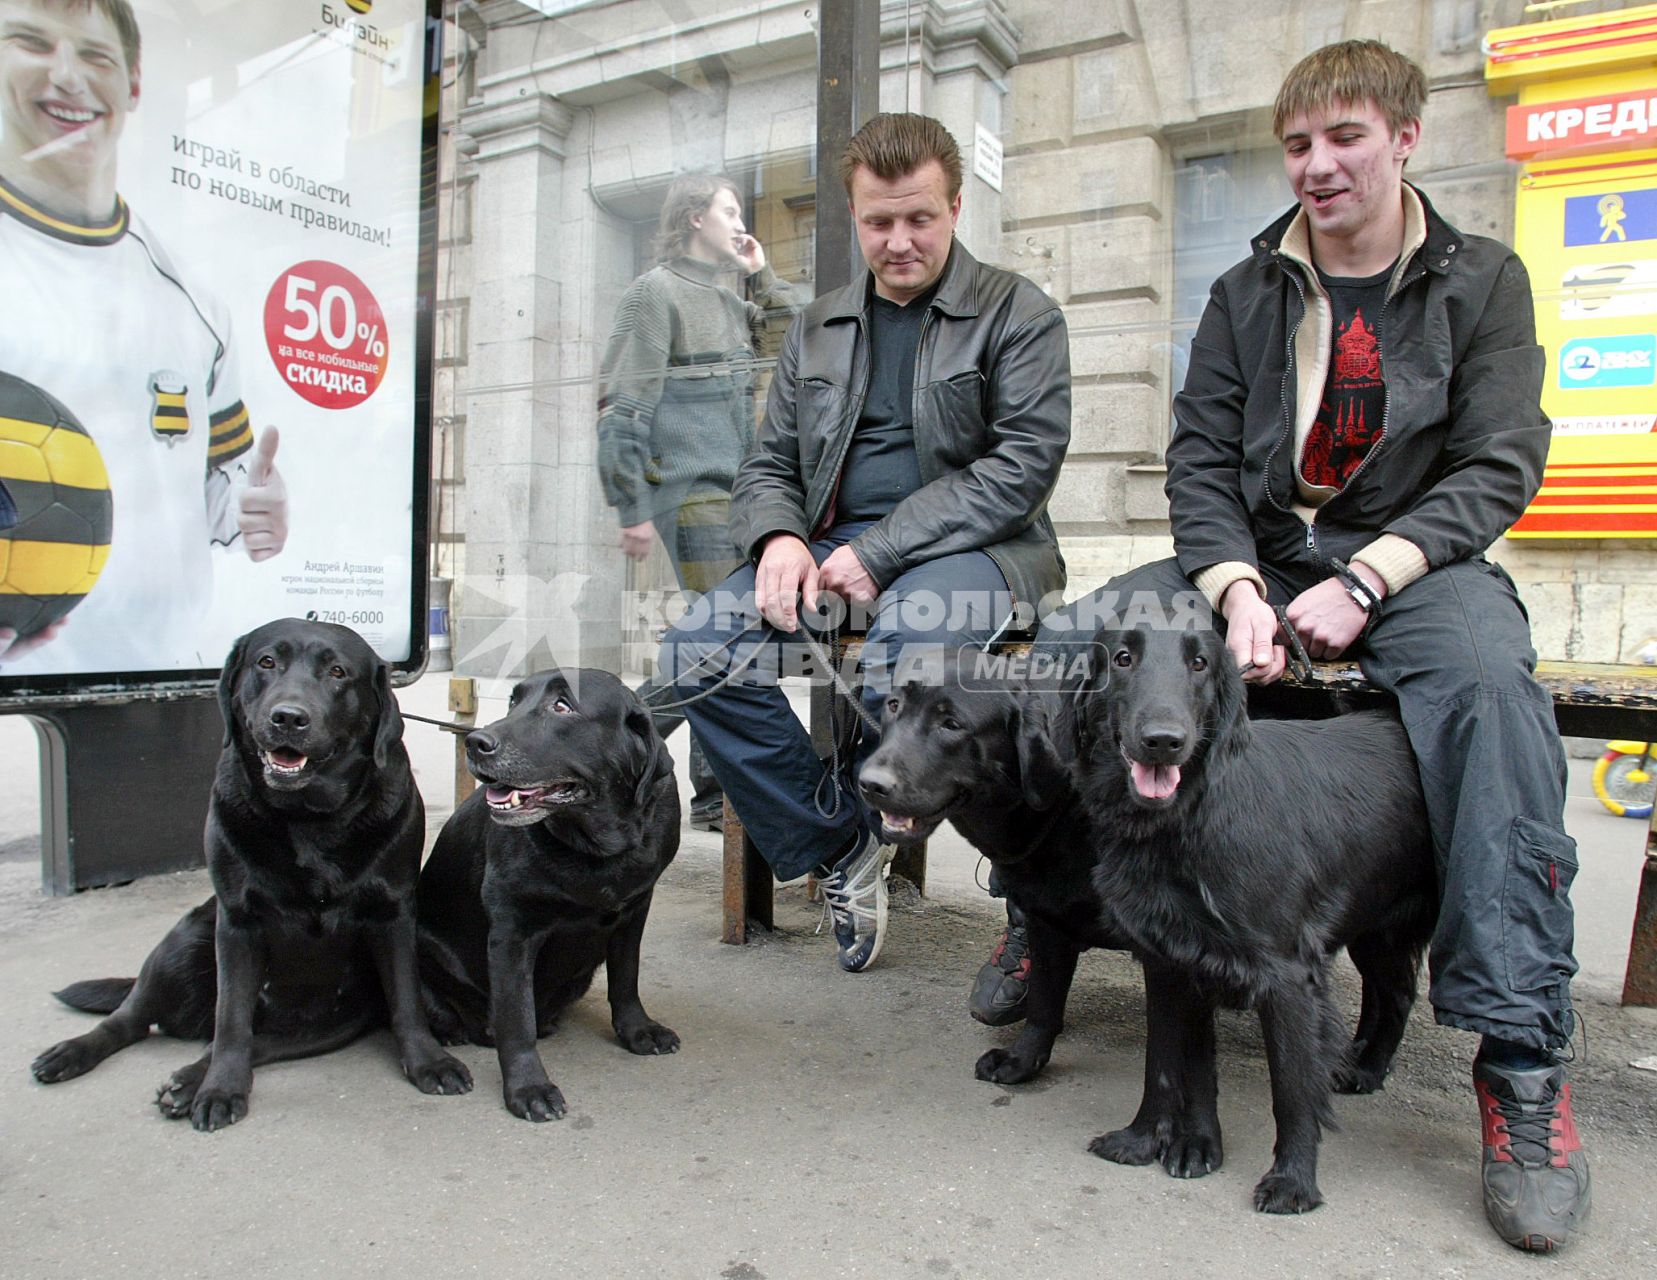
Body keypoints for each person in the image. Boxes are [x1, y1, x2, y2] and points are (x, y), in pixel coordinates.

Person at [1039, 41, 1588, 1251]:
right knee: (1080, 640)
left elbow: (1499, 461)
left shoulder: (1482, 279)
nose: (1318, 165)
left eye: (1344, 138)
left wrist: (1369, 574)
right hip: (1264, 556)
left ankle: (1520, 1059)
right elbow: (1196, 462)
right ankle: (1052, 931)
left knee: (1494, 698)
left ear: (1403, 139)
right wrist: (1234, 586)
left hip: (1415, 566)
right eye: (1298, 145)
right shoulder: (1246, 292)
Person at [658, 112, 1070, 972]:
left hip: (981, 550)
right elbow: (768, 460)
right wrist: (776, 535)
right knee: (694, 651)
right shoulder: (817, 328)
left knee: (905, 655)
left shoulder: (1016, 314)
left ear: (955, 207)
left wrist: (880, 552)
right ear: (853, 217)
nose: (898, 240)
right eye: (878, 221)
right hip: (828, 549)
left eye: (919, 218)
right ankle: (839, 843)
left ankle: (1025, 864)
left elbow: (1021, 468)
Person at [0, 0, 286, 674]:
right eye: (34, 44)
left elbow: (208, 499)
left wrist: (245, 513)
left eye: (94, 56)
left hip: (161, 686)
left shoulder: (193, 301)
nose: (69, 77)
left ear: (131, 83)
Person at [596, 173, 798, 831]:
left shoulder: (729, 295)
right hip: (689, 496)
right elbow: (623, 403)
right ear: (692, 219)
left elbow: (809, 338)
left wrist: (759, 274)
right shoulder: (653, 295)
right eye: (729, 211)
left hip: (741, 495)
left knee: (724, 641)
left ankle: (693, 782)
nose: (740, 223)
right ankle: (620, 745)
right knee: (729, 634)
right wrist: (629, 504)